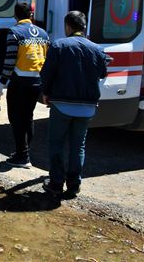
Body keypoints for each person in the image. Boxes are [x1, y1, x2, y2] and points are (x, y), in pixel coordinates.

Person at [40, 11, 108, 198]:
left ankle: (56, 183)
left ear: (68, 26)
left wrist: (45, 93)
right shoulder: (97, 49)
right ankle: (74, 185)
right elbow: (103, 73)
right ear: (84, 26)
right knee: (78, 146)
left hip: (62, 103)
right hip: (87, 106)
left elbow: (47, 73)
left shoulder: (59, 45)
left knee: (56, 143)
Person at [1, 2, 50, 168]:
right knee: (28, 116)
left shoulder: (14, 32)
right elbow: (48, 58)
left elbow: (10, 59)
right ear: (31, 14)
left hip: (19, 81)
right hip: (37, 81)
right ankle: (23, 151)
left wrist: (2, 81)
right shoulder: (43, 33)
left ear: (15, 15)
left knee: (16, 117)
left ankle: (23, 156)